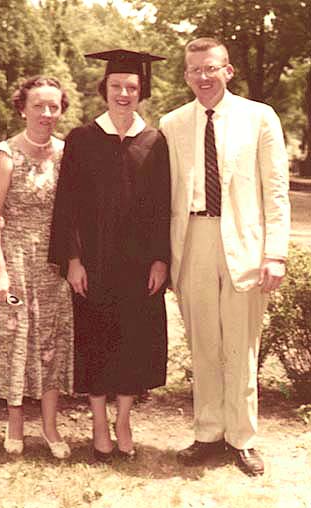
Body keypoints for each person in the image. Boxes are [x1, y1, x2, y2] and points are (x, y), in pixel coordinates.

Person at [160, 37, 290, 476]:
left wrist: (276, 254)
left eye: (211, 68)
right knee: (204, 347)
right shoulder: (172, 123)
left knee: (240, 345)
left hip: (246, 246)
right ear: (186, 75)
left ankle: (243, 439)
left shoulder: (259, 117)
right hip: (192, 240)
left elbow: (275, 190)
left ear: (227, 71)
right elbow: (166, 195)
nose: (203, 77)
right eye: (194, 70)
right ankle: (208, 433)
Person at [49, 49, 170, 462]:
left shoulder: (155, 141)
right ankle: (99, 423)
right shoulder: (82, 140)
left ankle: (123, 420)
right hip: (94, 262)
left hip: (138, 265)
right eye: (116, 86)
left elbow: (161, 206)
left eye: (132, 87)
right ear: (105, 89)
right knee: (95, 341)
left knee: (132, 341)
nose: (124, 93)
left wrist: (160, 259)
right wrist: (73, 260)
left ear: (142, 92)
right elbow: (66, 206)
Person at [0, 76, 74, 459]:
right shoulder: (4, 154)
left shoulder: (67, 153)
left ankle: (50, 427)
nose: (46, 113)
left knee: (51, 344)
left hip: (54, 263)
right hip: (15, 260)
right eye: (38, 105)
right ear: (22, 107)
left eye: (54, 106)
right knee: (16, 341)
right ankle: (14, 425)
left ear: (62, 110)